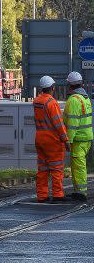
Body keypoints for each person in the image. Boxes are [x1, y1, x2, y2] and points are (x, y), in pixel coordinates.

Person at [34, 75, 69, 203]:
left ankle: (42, 196)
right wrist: (65, 140)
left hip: (39, 138)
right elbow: (58, 124)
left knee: (42, 169)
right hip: (52, 140)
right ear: (52, 88)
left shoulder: (37, 101)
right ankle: (58, 194)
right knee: (56, 168)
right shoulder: (51, 103)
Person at [63, 71, 92, 201]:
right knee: (77, 165)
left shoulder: (74, 100)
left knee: (79, 166)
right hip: (86, 137)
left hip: (78, 139)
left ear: (69, 85)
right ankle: (78, 190)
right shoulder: (85, 98)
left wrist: (68, 140)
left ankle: (81, 192)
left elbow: (73, 124)